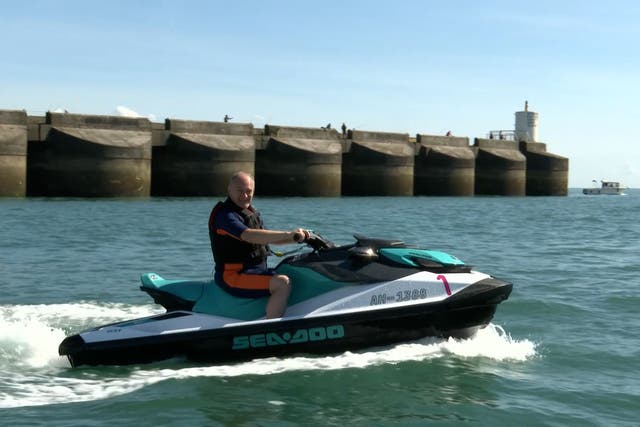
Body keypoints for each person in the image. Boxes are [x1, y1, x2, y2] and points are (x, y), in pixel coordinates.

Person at [208, 172, 309, 318]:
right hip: (233, 276)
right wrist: (289, 235)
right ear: (229, 190)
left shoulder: (250, 213)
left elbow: (268, 238)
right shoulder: (225, 216)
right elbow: (248, 235)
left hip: (254, 272)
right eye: (239, 191)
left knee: (296, 269)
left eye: (248, 191)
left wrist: (297, 238)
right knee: (282, 283)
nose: (244, 195)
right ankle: (272, 330)